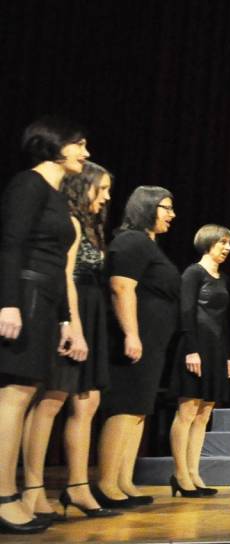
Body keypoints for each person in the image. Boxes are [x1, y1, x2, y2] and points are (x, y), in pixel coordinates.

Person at [1, 117, 87, 533]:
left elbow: (60, 267)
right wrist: (8, 303)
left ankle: (12, 492)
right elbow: (10, 244)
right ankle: (2, 496)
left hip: (46, 301)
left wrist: (66, 320)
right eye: (79, 144)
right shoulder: (28, 184)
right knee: (13, 395)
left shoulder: (54, 195)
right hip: (27, 295)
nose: (85, 153)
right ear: (54, 144)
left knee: (25, 394)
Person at [35, 161, 116, 519]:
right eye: (102, 188)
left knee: (88, 402)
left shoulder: (91, 225)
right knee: (52, 400)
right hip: (71, 313)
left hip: (91, 314)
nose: (107, 196)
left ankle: (78, 486)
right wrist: (74, 326)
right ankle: (33, 490)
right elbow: (66, 276)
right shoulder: (69, 222)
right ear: (83, 187)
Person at [97, 186, 180, 509]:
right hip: (134, 340)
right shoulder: (131, 241)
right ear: (146, 207)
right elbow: (121, 287)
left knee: (138, 410)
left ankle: (123, 481)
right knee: (125, 407)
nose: (171, 214)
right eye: (165, 208)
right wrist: (131, 334)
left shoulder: (148, 244)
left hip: (152, 342)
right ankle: (107, 483)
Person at [169, 225, 230, 497]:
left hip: (216, 349)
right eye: (223, 242)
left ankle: (194, 472)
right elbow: (186, 311)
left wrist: (227, 355)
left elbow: (222, 320)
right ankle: (180, 474)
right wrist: (191, 349)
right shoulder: (193, 273)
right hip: (195, 346)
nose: (227, 248)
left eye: (229, 243)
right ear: (208, 243)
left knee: (204, 413)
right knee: (187, 411)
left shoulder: (224, 278)